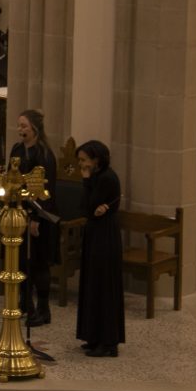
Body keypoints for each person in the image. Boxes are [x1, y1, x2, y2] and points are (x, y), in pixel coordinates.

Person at [9, 109, 59, 327]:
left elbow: (47, 191)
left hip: (41, 216)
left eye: (24, 127)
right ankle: (25, 302)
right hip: (20, 213)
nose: (20, 130)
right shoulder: (17, 149)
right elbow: (12, 180)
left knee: (38, 262)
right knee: (21, 261)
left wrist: (37, 219)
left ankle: (43, 309)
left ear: (35, 129)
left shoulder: (45, 155)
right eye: (19, 126)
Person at [75, 139, 125, 357]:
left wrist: (86, 181)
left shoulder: (105, 178)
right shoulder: (99, 176)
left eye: (84, 160)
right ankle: (93, 336)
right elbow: (90, 208)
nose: (81, 165)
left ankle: (108, 342)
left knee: (103, 285)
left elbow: (87, 206)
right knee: (92, 283)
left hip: (105, 236)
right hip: (96, 233)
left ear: (96, 160)